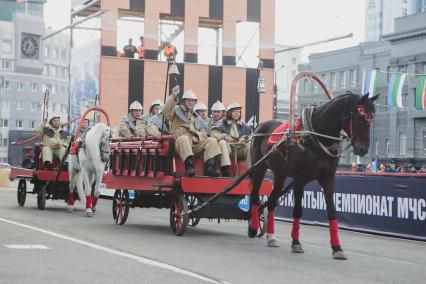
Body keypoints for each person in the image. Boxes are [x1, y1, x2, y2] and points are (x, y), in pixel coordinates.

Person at [163, 85, 221, 177]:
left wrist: (197, 136)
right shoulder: (176, 110)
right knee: (184, 138)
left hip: (194, 144)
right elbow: (166, 112)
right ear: (184, 101)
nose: (191, 102)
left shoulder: (197, 116)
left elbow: (205, 132)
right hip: (179, 143)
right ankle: (189, 167)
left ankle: (209, 168)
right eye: (188, 100)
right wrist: (173, 96)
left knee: (212, 141)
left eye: (193, 101)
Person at [211, 102, 252, 177]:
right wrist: (224, 136)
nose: (236, 113)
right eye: (234, 111)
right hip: (227, 149)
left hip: (239, 149)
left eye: (238, 112)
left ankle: (251, 170)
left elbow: (251, 135)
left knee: (249, 144)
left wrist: (245, 138)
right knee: (222, 142)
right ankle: (225, 169)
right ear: (229, 112)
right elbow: (214, 133)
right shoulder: (221, 122)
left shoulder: (244, 125)